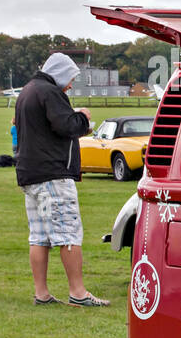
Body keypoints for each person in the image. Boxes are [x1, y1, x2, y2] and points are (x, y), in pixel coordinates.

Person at [14, 53, 110, 306]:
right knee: (68, 233)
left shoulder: (28, 91)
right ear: (59, 73)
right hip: (52, 177)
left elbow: (48, 125)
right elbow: (66, 126)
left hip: (31, 176)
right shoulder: (50, 92)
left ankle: (41, 294)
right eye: (70, 79)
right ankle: (78, 293)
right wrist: (83, 117)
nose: (70, 85)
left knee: (40, 236)